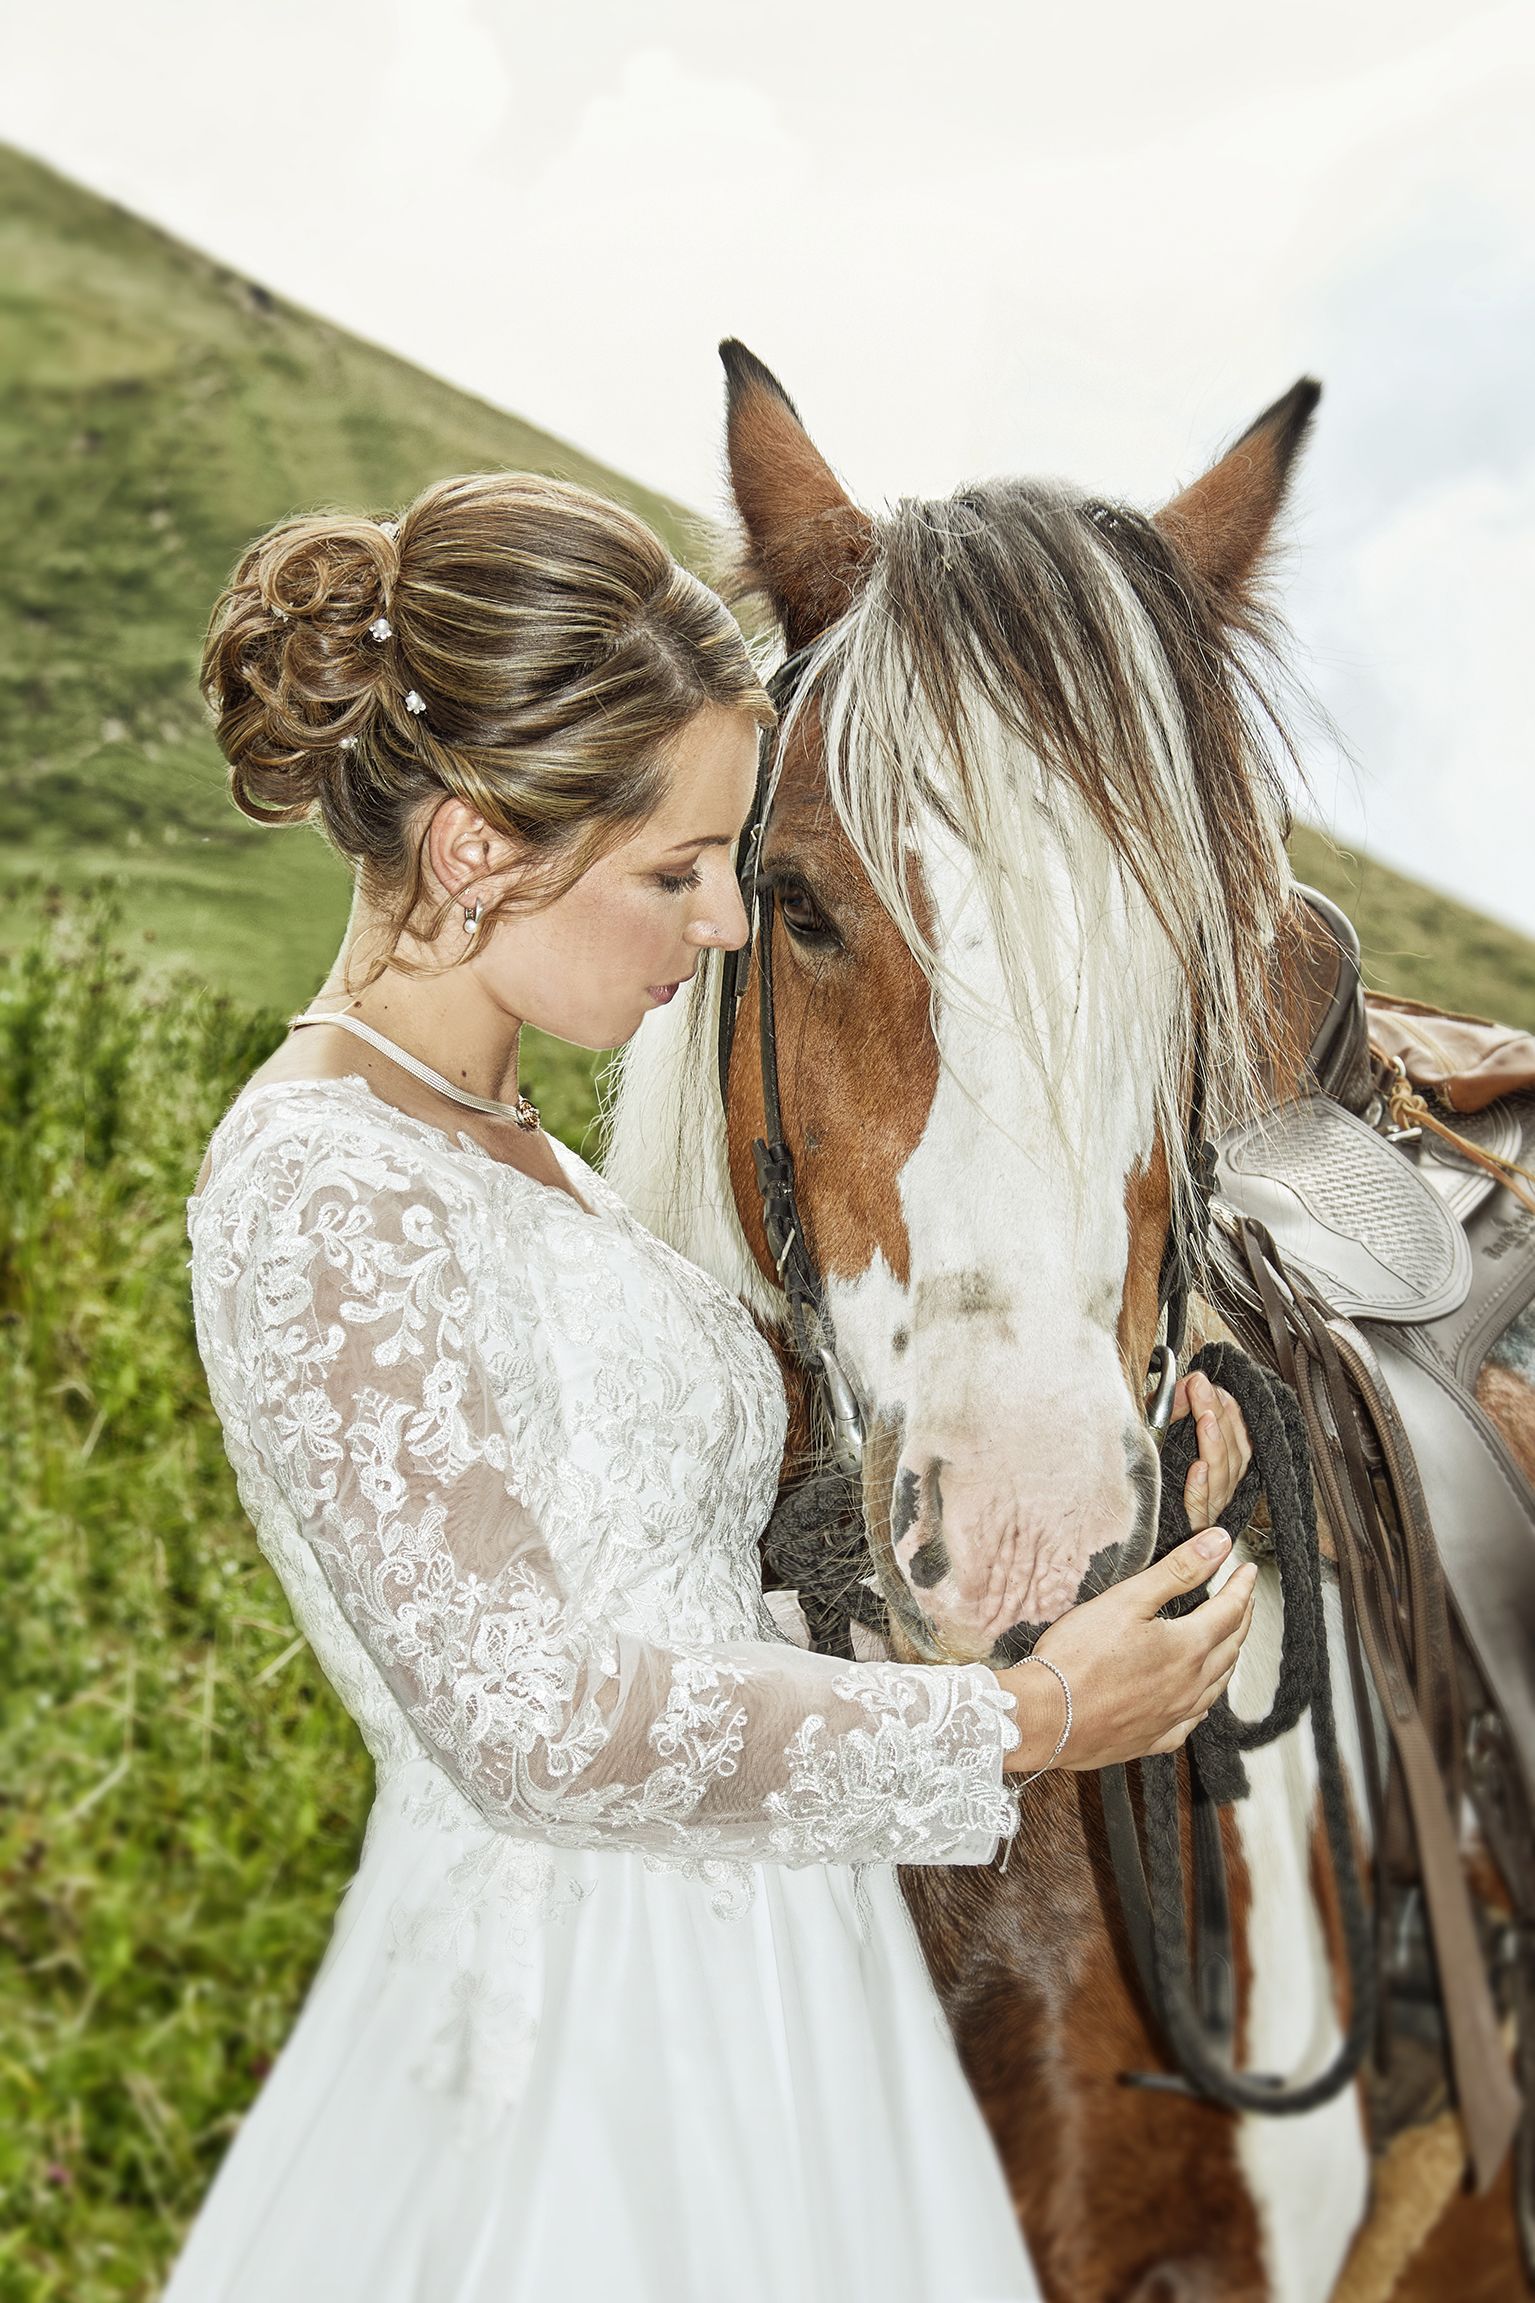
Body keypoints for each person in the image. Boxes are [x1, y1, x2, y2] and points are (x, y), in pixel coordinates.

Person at [170, 471, 1258, 2303]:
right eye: (674, 873)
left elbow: (673, 1606)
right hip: (576, 2048)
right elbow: (528, 1725)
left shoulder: (527, 1159)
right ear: (474, 855)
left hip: (768, 1980)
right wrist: (1031, 1720)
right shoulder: (322, 1184)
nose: (728, 924)